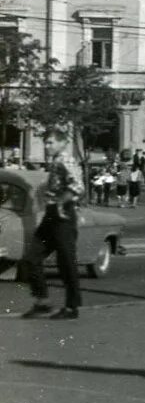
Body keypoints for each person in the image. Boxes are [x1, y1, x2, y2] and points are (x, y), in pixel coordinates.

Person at [19, 128, 86, 320]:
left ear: (62, 143)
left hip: (63, 216)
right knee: (32, 257)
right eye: (46, 143)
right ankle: (42, 302)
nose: (47, 146)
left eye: (50, 142)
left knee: (66, 261)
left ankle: (72, 307)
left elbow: (78, 186)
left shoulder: (66, 160)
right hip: (51, 215)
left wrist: (61, 203)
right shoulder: (56, 161)